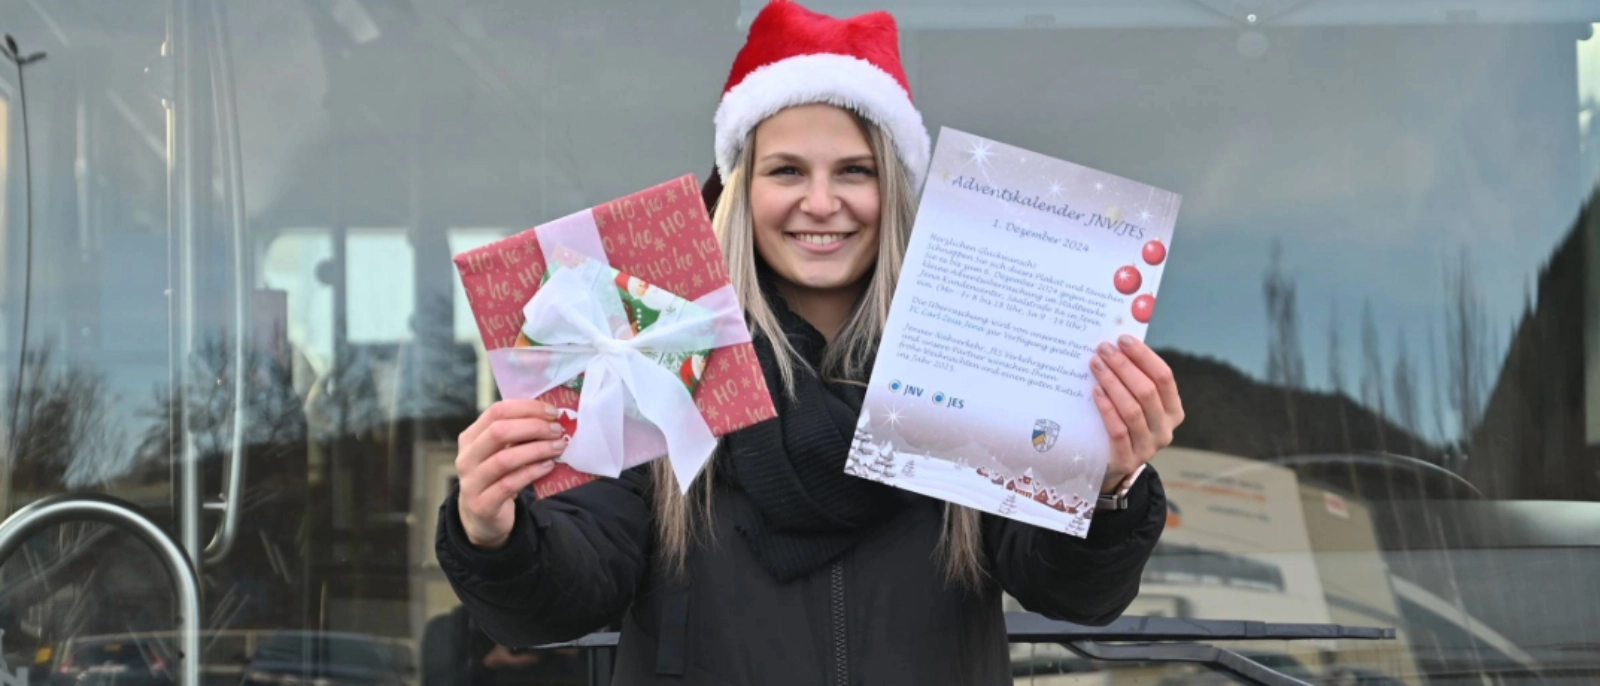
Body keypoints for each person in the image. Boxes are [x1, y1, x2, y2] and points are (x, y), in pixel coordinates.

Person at [436, 2, 1182, 683]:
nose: (821, 203)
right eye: (787, 170)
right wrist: (493, 530)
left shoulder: (975, 358)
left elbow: (1070, 592)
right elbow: (566, 594)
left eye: (854, 172)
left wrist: (1104, 485)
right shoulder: (649, 344)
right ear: (741, 190)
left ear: (891, 190)